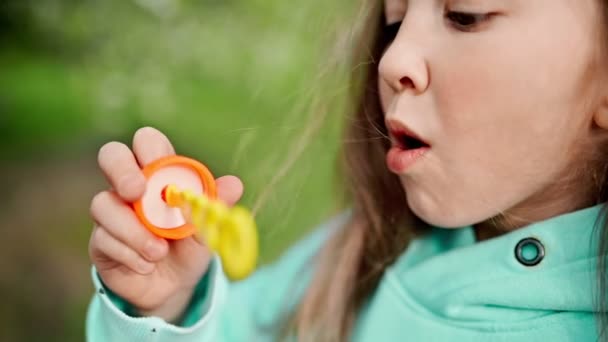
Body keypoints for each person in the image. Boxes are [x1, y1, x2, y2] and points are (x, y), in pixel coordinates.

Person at [85, 0, 608, 340]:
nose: (391, 59)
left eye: (464, 14)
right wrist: (169, 309)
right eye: (396, 21)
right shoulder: (358, 252)